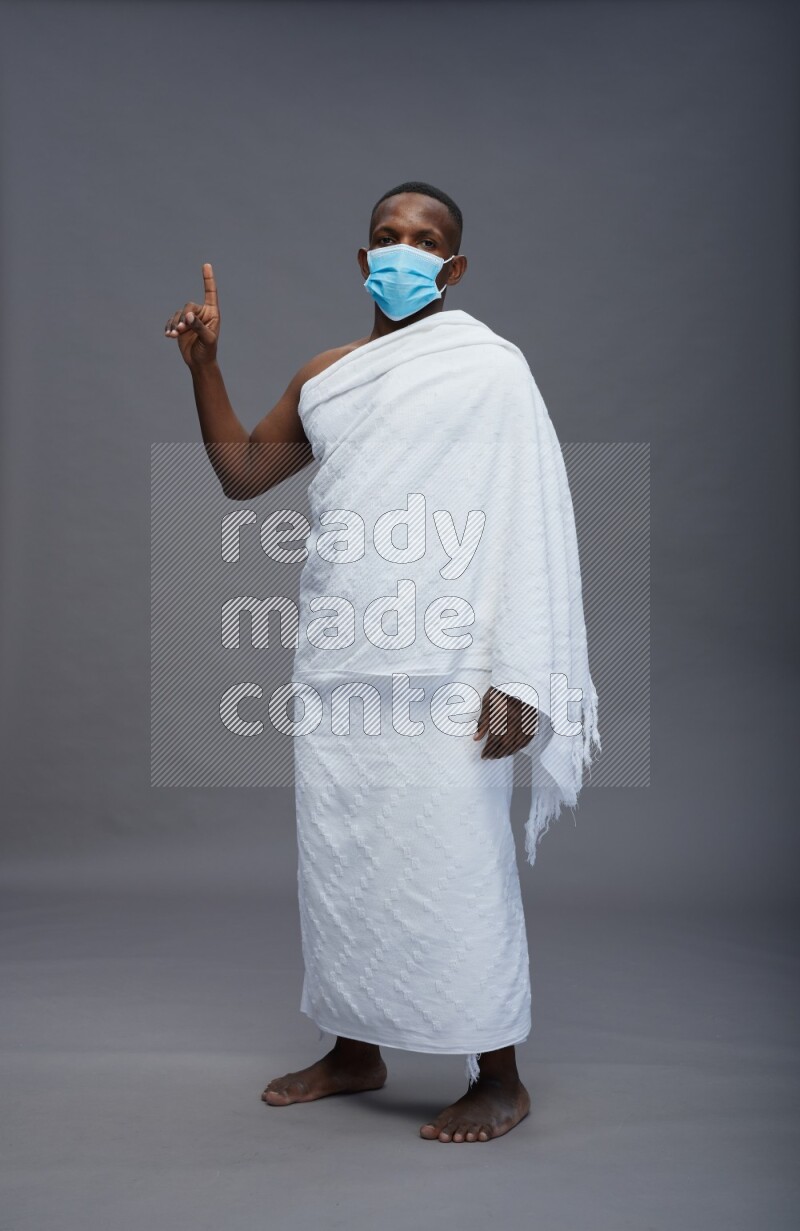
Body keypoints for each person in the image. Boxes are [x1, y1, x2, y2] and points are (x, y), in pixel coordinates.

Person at [164, 181, 598, 1143]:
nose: (404, 250)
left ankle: (499, 1073)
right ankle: (356, 1049)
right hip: (342, 663)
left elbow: (532, 518)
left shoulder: (490, 369)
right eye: (386, 237)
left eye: (426, 239)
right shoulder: (331, 373)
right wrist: (205, 367)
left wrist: (519, 676)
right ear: (364, 260)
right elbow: (243, 474)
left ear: (455, 265)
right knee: (344, 858)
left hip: (449, 666)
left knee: (454, 861)